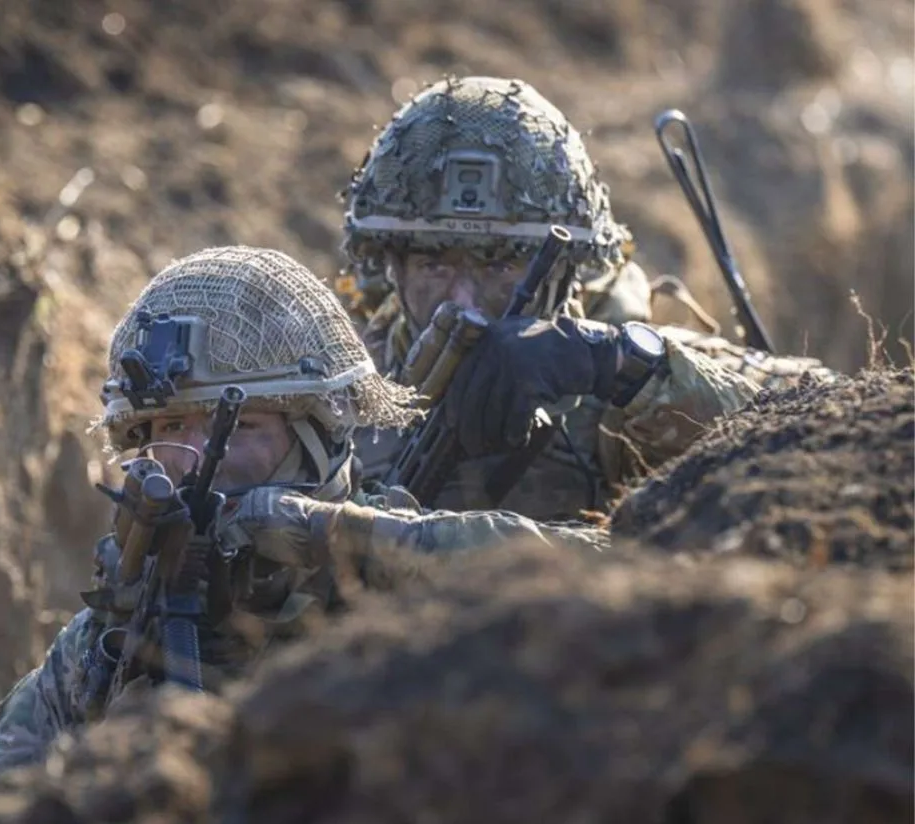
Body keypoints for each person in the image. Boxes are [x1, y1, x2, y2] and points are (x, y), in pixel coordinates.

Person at [0, 245, 592, 817]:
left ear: (316, 436)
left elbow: (597, 576)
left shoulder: (395, 557)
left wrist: (333, 539)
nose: (196, 458)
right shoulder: (104, 644)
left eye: (237, 427)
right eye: (167, 431)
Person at [340, 75, 832, 521]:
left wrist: (619, 365)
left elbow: (846, 419)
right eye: (434, 264)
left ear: (567, 265)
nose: (464, 302)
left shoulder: (623, 380)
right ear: (391, 265)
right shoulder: (339, 384)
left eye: (500, 264)